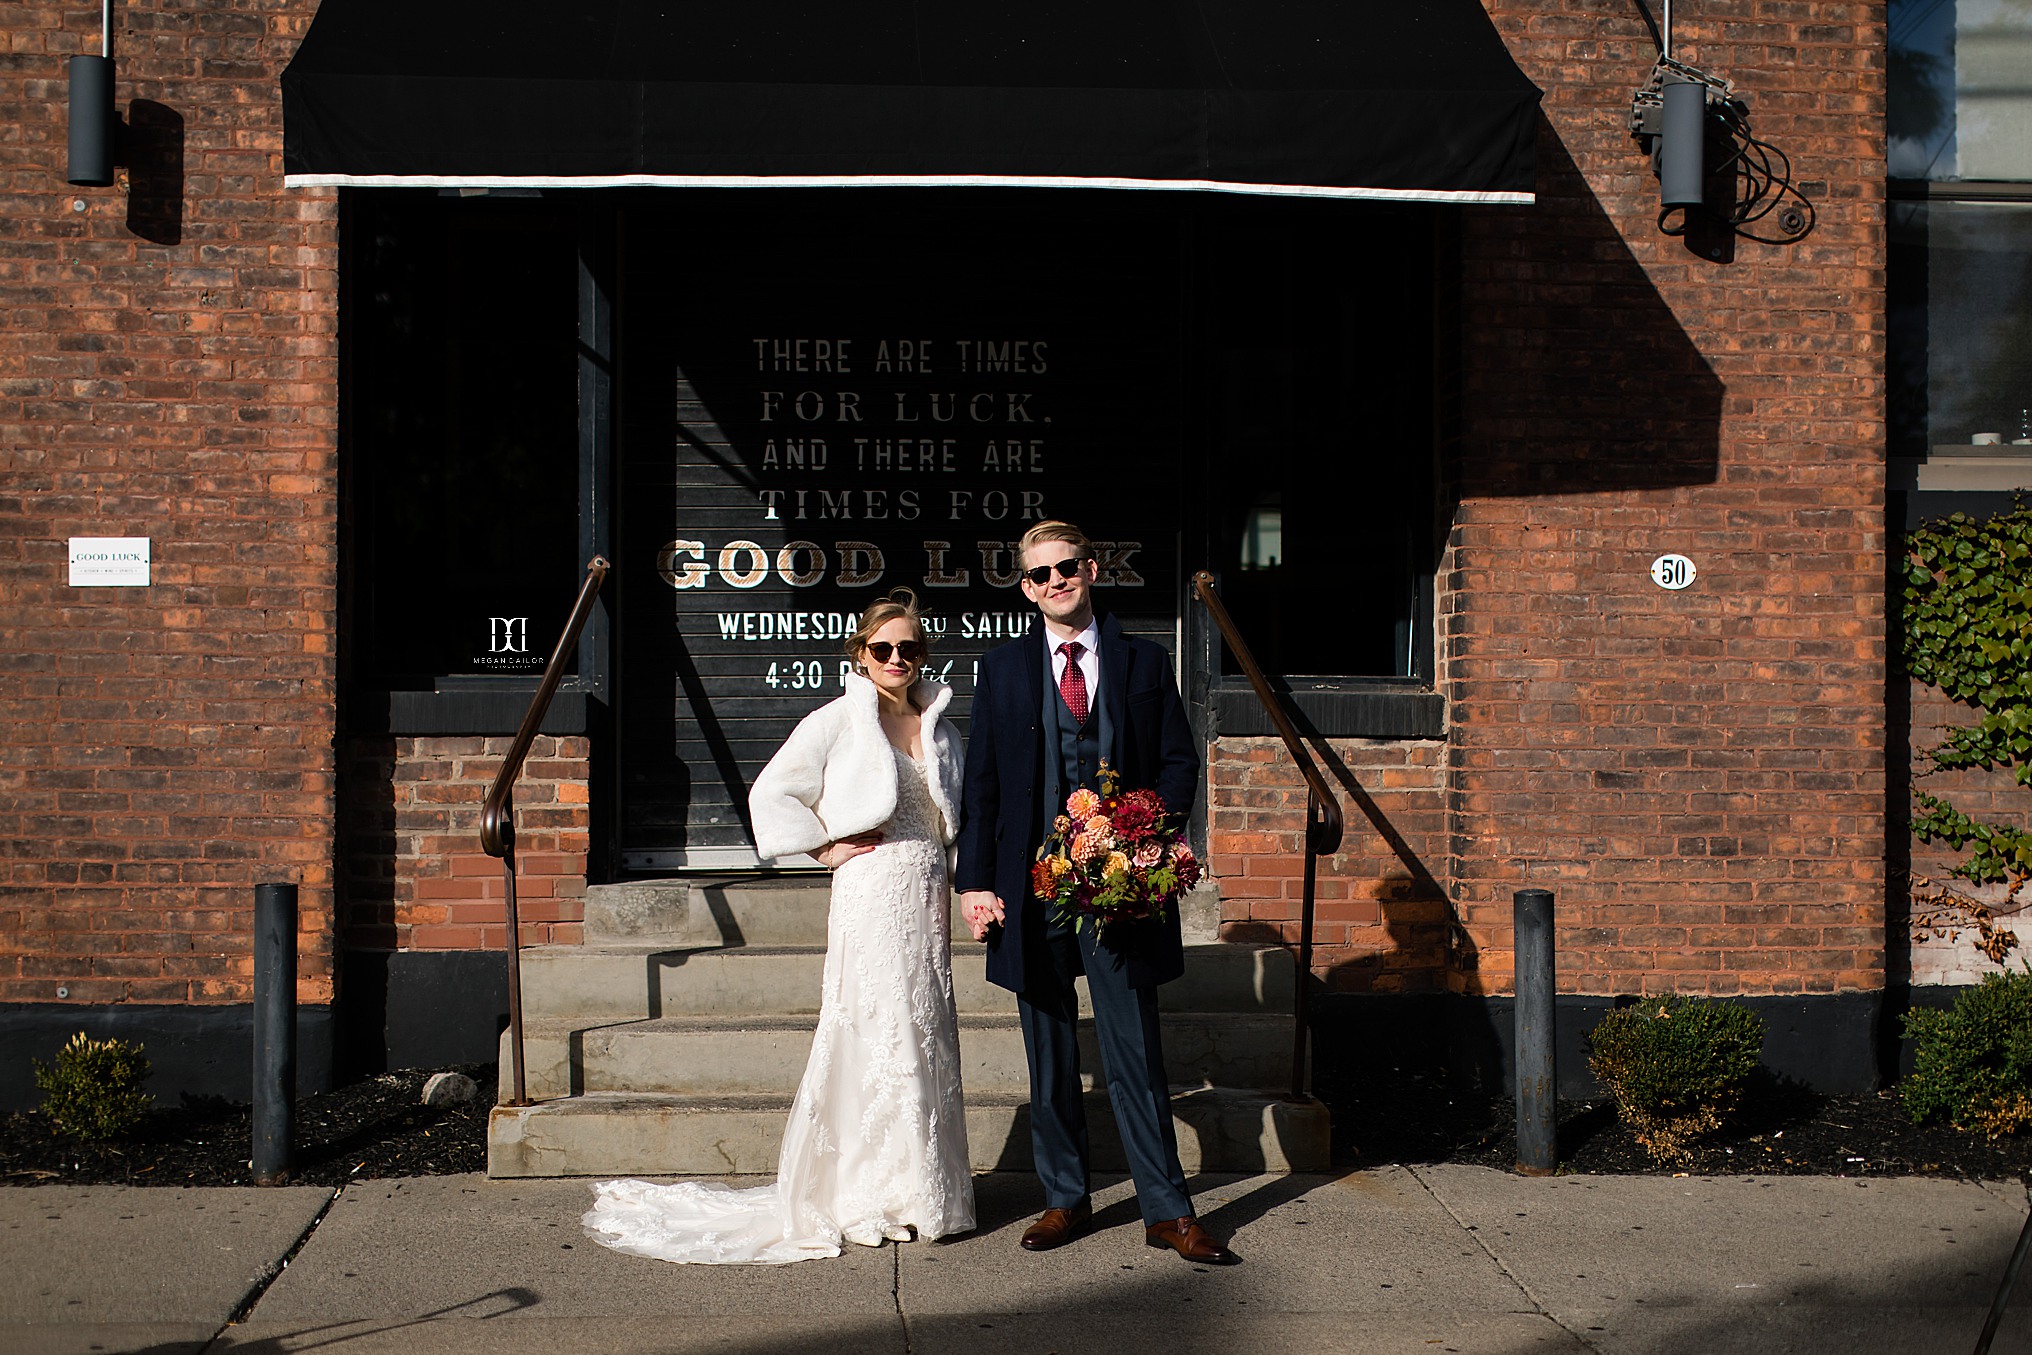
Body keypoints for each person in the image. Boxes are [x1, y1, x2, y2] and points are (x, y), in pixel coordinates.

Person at [583, 589, 974, 1264]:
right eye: (882, 648)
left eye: (908, 648)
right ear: (861, 653)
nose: (896, 659)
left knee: (925, 1029)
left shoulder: (941, 729)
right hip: (871, 891)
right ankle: (862, 1191)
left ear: (922, 655)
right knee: (873, 1029)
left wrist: (967, 882)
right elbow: (772, 788)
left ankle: (923, 1191)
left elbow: (951, 816)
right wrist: (824, 846)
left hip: (927, 893)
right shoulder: (836, 721)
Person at [955, 520, 1235, 1264]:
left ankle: (1167, 1210)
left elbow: (1179, 763)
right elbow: (981, 784)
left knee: (1134, 1047)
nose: (1056, 581)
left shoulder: (1145, 660)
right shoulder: (1004, 669)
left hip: (1116, 887)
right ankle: (1064, 1198)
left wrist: (1143, 836)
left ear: (1092, 567)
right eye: (1040, 573)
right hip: (1029, 884)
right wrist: (974, 880)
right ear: (1026, 586)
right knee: (1047, 1051)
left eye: (1067, 566)